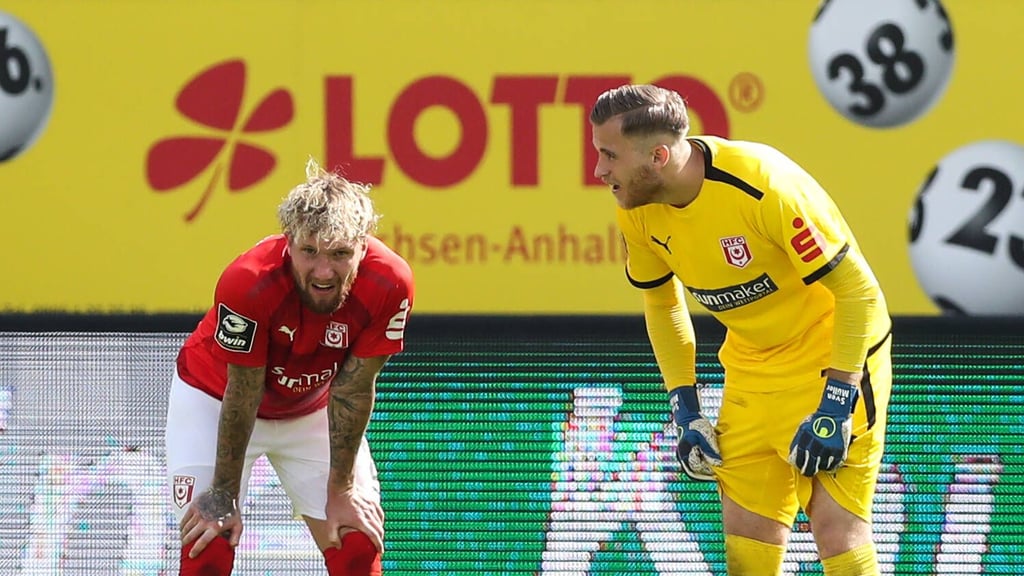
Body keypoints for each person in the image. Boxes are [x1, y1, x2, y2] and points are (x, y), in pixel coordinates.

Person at [589, 84, 892, 576]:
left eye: (609, 155)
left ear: (659, 156)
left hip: (834, 355)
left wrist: (837, 402)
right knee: (748, 541)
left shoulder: (765, 186)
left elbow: (860, 294)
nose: (599, 171)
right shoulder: (636, 207)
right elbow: (662, 304)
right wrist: (685, 409)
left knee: (837, 532)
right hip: (752, 361)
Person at [165, 159, 414, 576]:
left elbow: (353, 388)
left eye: (340, 254)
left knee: (355, 543)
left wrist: (342, 489)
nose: (323, 271)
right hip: (215, 400)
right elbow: (243, 392)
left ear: (364, 246)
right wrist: (223, 495)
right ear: (288, 242)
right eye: (309, 251)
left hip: (311, 408)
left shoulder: (391, 282)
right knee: (207, 545)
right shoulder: (247, 281)